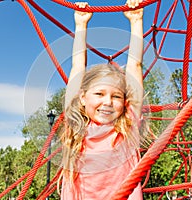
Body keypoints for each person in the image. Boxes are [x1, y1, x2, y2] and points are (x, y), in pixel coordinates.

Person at [60, 0, 144, 199]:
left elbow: (135, 66)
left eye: (116, 96)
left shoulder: (126, 128)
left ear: (125, 103)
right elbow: (77, 67)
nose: (107, 102)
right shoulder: (76, 127)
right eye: (99, 94)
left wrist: (136, 21)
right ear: (82, 98)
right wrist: (81, 25)